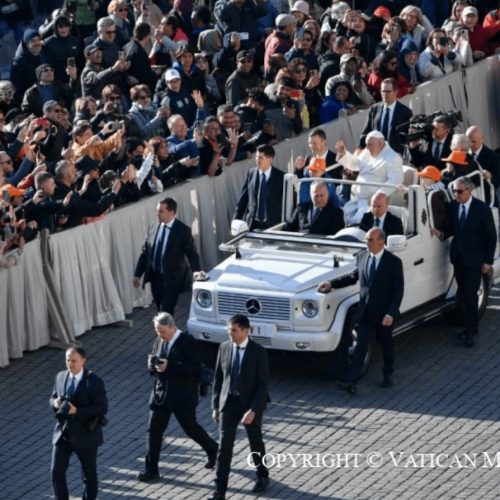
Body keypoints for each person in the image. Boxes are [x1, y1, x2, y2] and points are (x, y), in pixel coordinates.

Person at [317, 227, 404, 393]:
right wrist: (332, 284)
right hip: (365, 312)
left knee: (386, 346)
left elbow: (398, 290)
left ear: (381, 242)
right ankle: (351, 381)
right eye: (366, 240)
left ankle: (388, 375)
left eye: (370, 240)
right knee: (361, 346)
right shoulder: (362, 256)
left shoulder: (393, 262)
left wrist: (391, 313)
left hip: (384, 314)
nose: (367, 243)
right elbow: (353, 277)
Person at [138, 312, 218, 482]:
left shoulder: (187, 342)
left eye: (163, 332)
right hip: (160, 395)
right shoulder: (159, 340)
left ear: (172, 327)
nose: (160, 335)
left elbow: (196, 369)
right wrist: (152, 365)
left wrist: (171, 366)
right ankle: (151, 470)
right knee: (153, 432)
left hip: (182, 396)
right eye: (157, 332)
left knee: (191, 429)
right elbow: (155, 360)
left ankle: (212, 449)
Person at [210, 314, 270, 500]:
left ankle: (262, 475)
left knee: (255, 441)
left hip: (249, 405)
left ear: (246, 331)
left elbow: (263, 385)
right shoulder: (224, 347)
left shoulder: (258, 352)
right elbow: (218, 378)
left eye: (234, 331)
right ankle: (219, 491)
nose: (231, 334)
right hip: (228, 403)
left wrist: (253, 410)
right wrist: (215, 406)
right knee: (224, 447)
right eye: (229, 330)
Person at [433, 176, 497, 347]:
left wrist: (487, 261)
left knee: (470, 295)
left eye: (459, 191)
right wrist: (441, 233)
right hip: (458, 259)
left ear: (470, 190)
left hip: (475, 260)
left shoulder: (481, 209)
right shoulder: (453, 206)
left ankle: (472, 332)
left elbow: (491, 236)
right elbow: (452, 228)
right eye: (454, 191)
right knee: (462, 294)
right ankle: (467, 327)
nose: (456, 194)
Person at [49, 347, 108, 500]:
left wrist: (77, 411)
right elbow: (52, 397)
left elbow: (102, 408)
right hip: (63, 433)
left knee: (89, 475)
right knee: (56, 472)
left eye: (74, 361)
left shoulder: (94, 381)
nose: (70, 364)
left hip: (86, 434)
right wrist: (55, 403)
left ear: (83, 360)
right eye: (67, 360)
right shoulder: (60, 377)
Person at [133, 197, 202, 313]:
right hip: (155, 278)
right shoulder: (152, 227)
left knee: (165, 310)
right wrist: (137, 274)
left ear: (171, 213)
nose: (157, 214)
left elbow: (192, 255)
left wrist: (196, 272)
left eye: (161, 211)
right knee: (161, 309)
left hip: (172, 279)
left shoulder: (183, 231)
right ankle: (167, 324)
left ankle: (164, 323)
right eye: (157, 210)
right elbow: (146, 253)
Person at [336, 131, 403, 224]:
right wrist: (344, 153)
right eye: (366, 145)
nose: (366, 148)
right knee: (339, 218)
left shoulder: (393, 158)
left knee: (357, 223)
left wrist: (377, 197)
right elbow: (355, 164)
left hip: (372, 203)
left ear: (380, 144)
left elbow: (395, 181)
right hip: (357, 199)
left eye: (370, 145)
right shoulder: (368, 152)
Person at [233, 144, 285, 230]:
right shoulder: (251, 173)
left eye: (261, 157)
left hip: (272, 225)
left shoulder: (281, 177)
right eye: (256, 157)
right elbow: (242, 201)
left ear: (270, 159)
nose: (257, 160)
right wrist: (235, 223)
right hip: (252, 224)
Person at [358, 78, 413, 155]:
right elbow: (365, 133)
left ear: (396, 92)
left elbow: (408, 138)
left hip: (396, 156)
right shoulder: (374, 109)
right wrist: (360, 149)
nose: (384, 94)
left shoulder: (405, 112)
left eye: (388, 91)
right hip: (376, 155)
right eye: (383, 91)